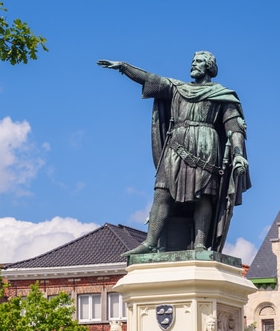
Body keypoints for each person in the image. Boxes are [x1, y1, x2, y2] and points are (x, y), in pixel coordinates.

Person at [97, 51, 250, 254]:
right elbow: (150, 79)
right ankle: (150, 242)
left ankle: (200, 244)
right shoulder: (177, 88)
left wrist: (238, 153)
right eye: (193, 61)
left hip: (206, 145)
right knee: (162, 191)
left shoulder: (221, 94)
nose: (193, 65)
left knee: (203, 196)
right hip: (176, 145)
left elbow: (234, 127)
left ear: (209, 67)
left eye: (198, 62)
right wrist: (124, 67)